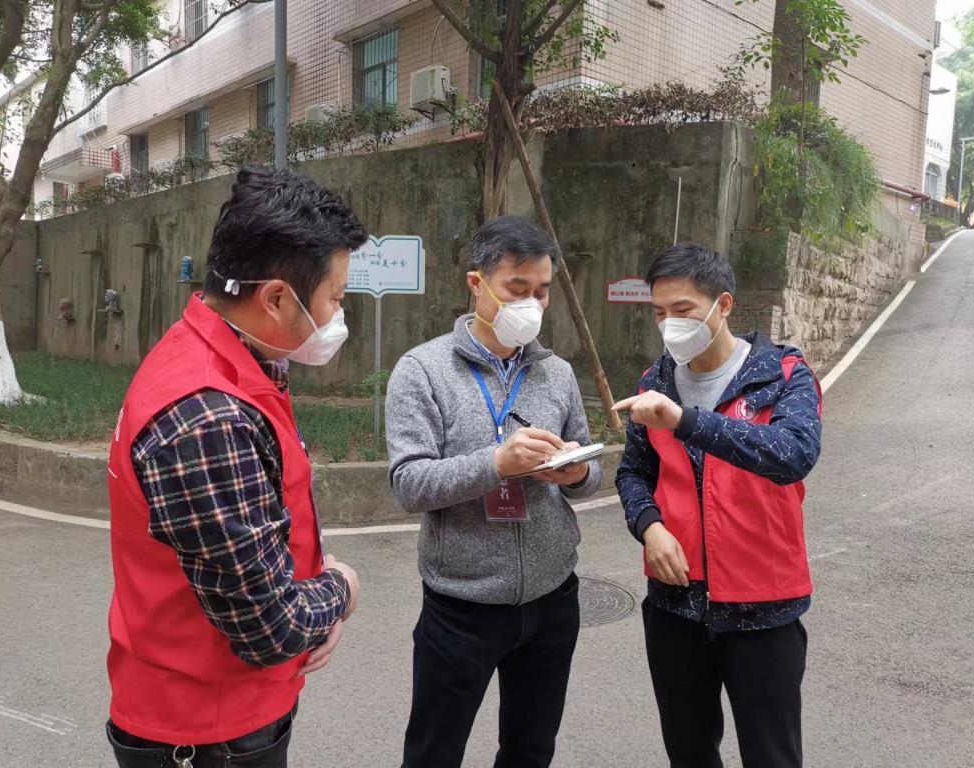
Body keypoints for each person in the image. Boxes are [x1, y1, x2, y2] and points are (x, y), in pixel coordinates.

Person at [105, 168, 366, 768]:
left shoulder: (223, 354)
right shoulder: (208, 417)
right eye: (335, 298)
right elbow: (269, 627)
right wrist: (341, 589)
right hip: (208, 730)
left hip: (216, 708)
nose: (338, 314)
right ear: (275, 298)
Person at [386, 216, 602, 768]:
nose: (532, 303)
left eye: (542, 290)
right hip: (462, 604)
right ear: (476, 284)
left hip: (552, 598)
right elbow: (409, 484)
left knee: (531, 749)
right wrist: (496, 464)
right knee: (434, 753)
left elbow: (590, 471)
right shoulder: (422, 370)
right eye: (517, 287)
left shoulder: (557, 372)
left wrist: (576, 475)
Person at [614, 243, 823, 768]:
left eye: (682, 310)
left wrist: (685, 420)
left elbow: (792, 454)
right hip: (674, 605)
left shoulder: (783, 374)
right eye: (659, 313)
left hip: (764, 608)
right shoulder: (655, 381)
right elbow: (634, 472)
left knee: (772, 755)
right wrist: (650, 527)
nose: (669, 324)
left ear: (723, 304)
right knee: (688, 752)